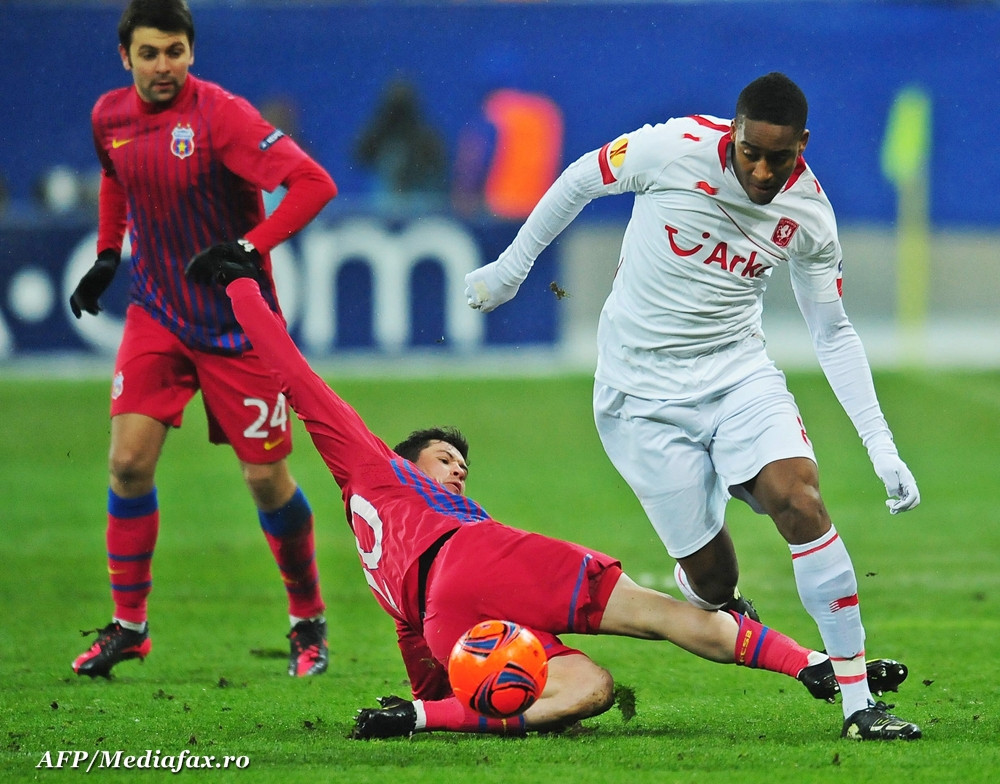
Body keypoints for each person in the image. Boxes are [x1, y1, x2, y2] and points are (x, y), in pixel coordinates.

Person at [182, 250, 919, 741]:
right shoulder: (373, 467)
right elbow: (295, 377)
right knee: (660, 613)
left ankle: (419, 722)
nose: (458, 470)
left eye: (462, 465)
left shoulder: (375, 541)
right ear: (406, 459)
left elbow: (415, 638)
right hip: (481, 560)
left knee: (587, 689)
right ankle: (816, 666)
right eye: (445, 459)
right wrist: (244, 280)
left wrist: (426, 699)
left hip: (440, 614)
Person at [463, 72, 923, 734]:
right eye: (751, 153)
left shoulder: (809, 216)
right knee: (711, 579)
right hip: (638, 393)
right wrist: (511, 270)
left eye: (780, 157)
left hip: (737, 375)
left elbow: (832, 332)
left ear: (803, 145)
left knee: (799, 499)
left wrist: (882, 446)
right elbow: (577, 181)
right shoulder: (670, 148)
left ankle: (858, 704)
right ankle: (725, 601)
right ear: (733, 134)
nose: (763, 170)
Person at [69, 0, 337, 679]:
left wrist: (246, 248)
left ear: (192, 52)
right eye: (151, 53)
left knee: (264, 478)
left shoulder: (222, 116)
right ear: (124, 56)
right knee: (128, 464)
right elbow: (114, 178)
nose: (165, 66)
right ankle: (130, 627)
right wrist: (107, 253)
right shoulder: (109, 118)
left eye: (176, 52)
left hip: (235, 326)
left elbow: (314, 184)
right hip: (156, 311)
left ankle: (307, 621)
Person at [353, 77, 448, 212]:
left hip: (418, 199)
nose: (399, 114)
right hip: (383, 201)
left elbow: (437, 165)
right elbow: (360, 153)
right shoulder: (379, 133)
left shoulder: (425, 137)